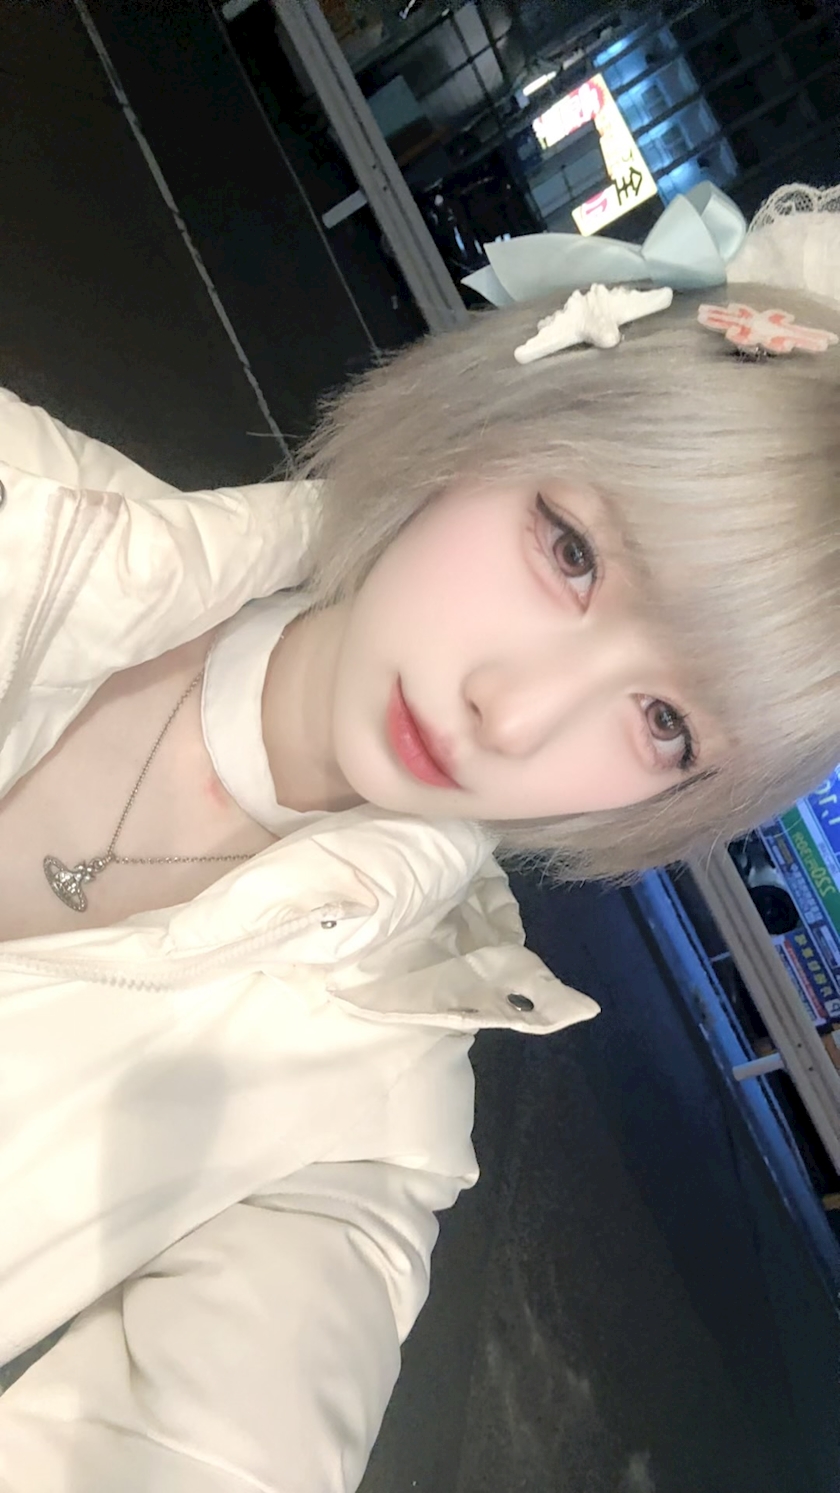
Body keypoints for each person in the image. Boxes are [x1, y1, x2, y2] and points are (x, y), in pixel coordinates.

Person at [0, 182, 837, 1490]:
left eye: (666, 722)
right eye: (572, 550)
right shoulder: (25, 501)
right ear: (495, 419)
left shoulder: (368, 1114)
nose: (516, 713)